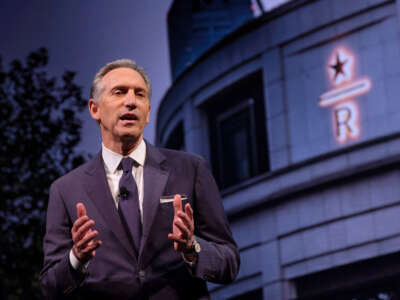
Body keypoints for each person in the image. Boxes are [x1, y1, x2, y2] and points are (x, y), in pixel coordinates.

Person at [40, 59, 240, 299]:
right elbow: (50, 288)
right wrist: (76, 258)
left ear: (147, 113)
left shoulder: (190, 169)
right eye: (119, 92)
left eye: (140, 94)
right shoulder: (65, 190)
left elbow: (229, 264)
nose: (131, 102)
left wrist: (192, 248)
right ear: (95, 109)